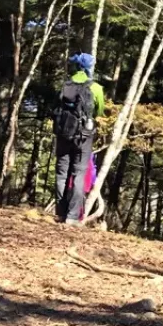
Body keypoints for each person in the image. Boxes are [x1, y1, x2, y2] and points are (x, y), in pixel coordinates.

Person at [53, 52, 104, 225]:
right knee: (79, 174)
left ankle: (60, 212)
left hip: (63, 135)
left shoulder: (65, 85)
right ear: (90, 67)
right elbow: (99, 111)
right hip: (83, 137)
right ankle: (72, 216)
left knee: (61, 173)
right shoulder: (95, 87)